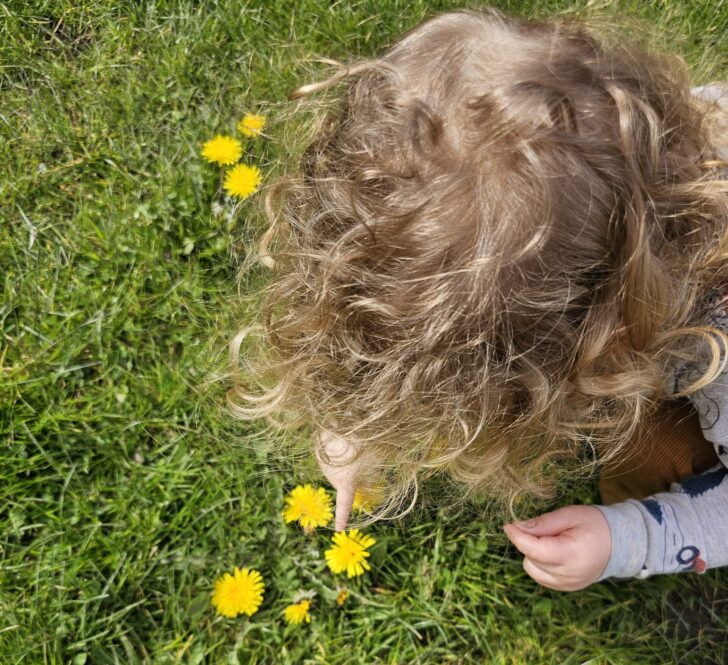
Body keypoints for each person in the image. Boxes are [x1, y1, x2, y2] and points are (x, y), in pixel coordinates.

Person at [227, 7, 728, 591]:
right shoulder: (627, 143)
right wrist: (355, 421)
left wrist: (629, 538)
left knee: (653, 450)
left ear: (600, 348)